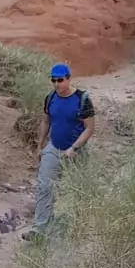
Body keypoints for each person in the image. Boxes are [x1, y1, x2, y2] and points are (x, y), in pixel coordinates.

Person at [27, 64, 95, 236]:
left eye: (60, 80)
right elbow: (46, 121)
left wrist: (74, 148)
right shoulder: (50, 97)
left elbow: (89, 128)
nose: (57, 84)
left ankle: (80, 227)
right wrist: (40, 143)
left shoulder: (82, 99)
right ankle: (40, 228)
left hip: (76, 150)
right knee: (44, 187)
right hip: (54, 147)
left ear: (69, 78)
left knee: (79, 189)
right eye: (53, 80)